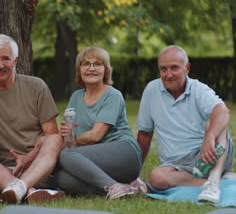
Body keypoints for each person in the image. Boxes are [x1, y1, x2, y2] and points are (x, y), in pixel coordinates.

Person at [0, 34, 65, 204]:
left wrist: (29, 157)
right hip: (5, 172)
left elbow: (51, 134)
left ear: (15, 61)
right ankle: (30, 191)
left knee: (56, 139)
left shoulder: (36, 86)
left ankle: (22, 188)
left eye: (6, 58)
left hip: (39, 166)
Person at [137, 45, 233, 203]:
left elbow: (223, 112)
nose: (168, 74)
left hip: (209, 156)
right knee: (156, 177)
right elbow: (145, 134)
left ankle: (214, 178)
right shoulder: (151, 90)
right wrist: (134, 173)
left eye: (174, 68)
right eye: (163, 69)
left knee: (218, 119)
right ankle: (210, 184)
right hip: (177, 166)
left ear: (187, 68)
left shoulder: (198, 89)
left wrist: (209, 137)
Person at [55, 47, 143, 199]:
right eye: (86, 64)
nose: (91, 68)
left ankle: (115, 187)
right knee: (62, 178)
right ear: (79, 69)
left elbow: (96, 135)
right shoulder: (76, 97)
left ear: (105, 70)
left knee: (66, 155)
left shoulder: (112, 95)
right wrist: (63, 135)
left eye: (98, 64)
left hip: (124, 153)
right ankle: (125, 187)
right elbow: (69, 133)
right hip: (96, 158)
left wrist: (69, 142)